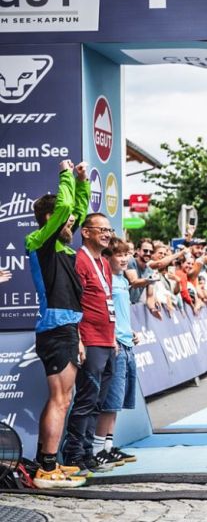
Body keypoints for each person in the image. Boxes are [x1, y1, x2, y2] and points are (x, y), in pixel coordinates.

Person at [26, 159, 90, 488]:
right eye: (67, 221)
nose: (74, 224)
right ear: (52, 219)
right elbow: (66, 207)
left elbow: (75, 207)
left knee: (61, 398)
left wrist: (81, 182)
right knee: (60, 399)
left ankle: (46, 462)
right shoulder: (41, 241)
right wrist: (66, 174)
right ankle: (47, 469)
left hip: (65, 329)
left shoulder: (61, 244)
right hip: (55, 329)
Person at [62, 213, 119, 475]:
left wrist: (114, 337)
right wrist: (80, 340)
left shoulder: (104, 263)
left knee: (98, 401)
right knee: (86, 399)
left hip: (107, 341)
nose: (107, 234)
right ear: (85, 232)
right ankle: (73, 455)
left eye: (109, 229)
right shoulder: (80, 260)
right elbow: (74, 303)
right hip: (90, 340)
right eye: (102, 229)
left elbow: (106, 301)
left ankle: (87, 453)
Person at [93, 237, 139, 467]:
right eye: (118, 255)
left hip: (127, 343)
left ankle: (108, 448)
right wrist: (111, 337)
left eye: (126, 254)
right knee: (109, 401)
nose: (124, 259)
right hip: (114, 346)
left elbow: (120, 313)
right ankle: (96, 450)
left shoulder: (122, 279)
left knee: (117, 402)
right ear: (107, 258)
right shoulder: (106, 279)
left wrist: (131, 331)